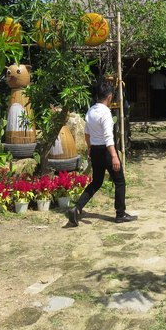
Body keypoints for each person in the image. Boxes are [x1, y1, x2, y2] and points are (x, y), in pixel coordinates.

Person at [67, 83, 137, 226]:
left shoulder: (91, 111)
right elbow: (108, 137)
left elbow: (87, 132)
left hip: (95, 150)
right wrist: (114, 156)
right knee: (119, 180)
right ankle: (120, 214)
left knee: (96, 182)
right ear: (109, 97)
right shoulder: (105, 113)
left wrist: (89, 148)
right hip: (106, 151)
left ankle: (77, 208)